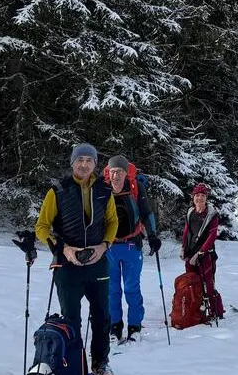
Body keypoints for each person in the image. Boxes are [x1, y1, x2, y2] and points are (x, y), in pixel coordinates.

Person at [33, 143, 118, 375]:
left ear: (95, 164)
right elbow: (41, 226)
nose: (84, 164)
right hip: (67, 265)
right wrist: (64, 249)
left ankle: (100, 364)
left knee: (102, 317)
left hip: (98, 263)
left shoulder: (105, 190)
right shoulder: (58, 190)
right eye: (79, 160)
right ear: (72, 163)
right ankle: (75, 364)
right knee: (71, 319)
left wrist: (104, 246)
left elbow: (112, 222)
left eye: (89, 160)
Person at [103, 155, 161, 343]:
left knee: (131, 288)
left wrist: (152, 235)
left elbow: (146, 212)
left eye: (120, 172)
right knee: (111, 289)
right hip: (109, 247)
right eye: (113, 172)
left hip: (131, 246)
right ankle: (115, 326)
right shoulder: (102, 189)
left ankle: (134, 326)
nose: (116, 176)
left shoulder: (136, 187)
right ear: (108, 173)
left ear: (126, 173)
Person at [179, 183, 224, 319]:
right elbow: (187, 231)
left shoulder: (212, 214)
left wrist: (200, 253)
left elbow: (212, 236)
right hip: (191, 252)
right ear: (193, 197)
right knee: (192, 283)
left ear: (206, 197)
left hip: (206, 254)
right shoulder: (190, 212)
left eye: (202, 196)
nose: (199, 198)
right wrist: (183, 248)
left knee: (208, 284)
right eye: (197, 195)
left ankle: (216, 311)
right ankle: (196, 309)